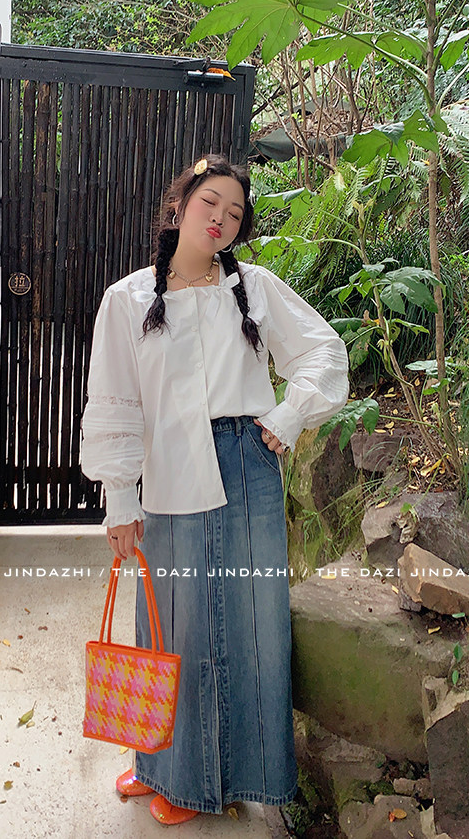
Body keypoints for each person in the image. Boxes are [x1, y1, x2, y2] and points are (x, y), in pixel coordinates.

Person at [80, 153, 349, 825]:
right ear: (179, 206)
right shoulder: (127, 299)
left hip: (245, 462)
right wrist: (120, 497)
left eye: (234, 213)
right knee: (171, 619)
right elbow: (115, 401)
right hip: (169, 466)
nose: (221, 219)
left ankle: (212, 781)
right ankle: (160, 764)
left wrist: (288, 416)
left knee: (248, 622)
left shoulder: (254, 287)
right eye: (210, 203)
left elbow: (323, 350)